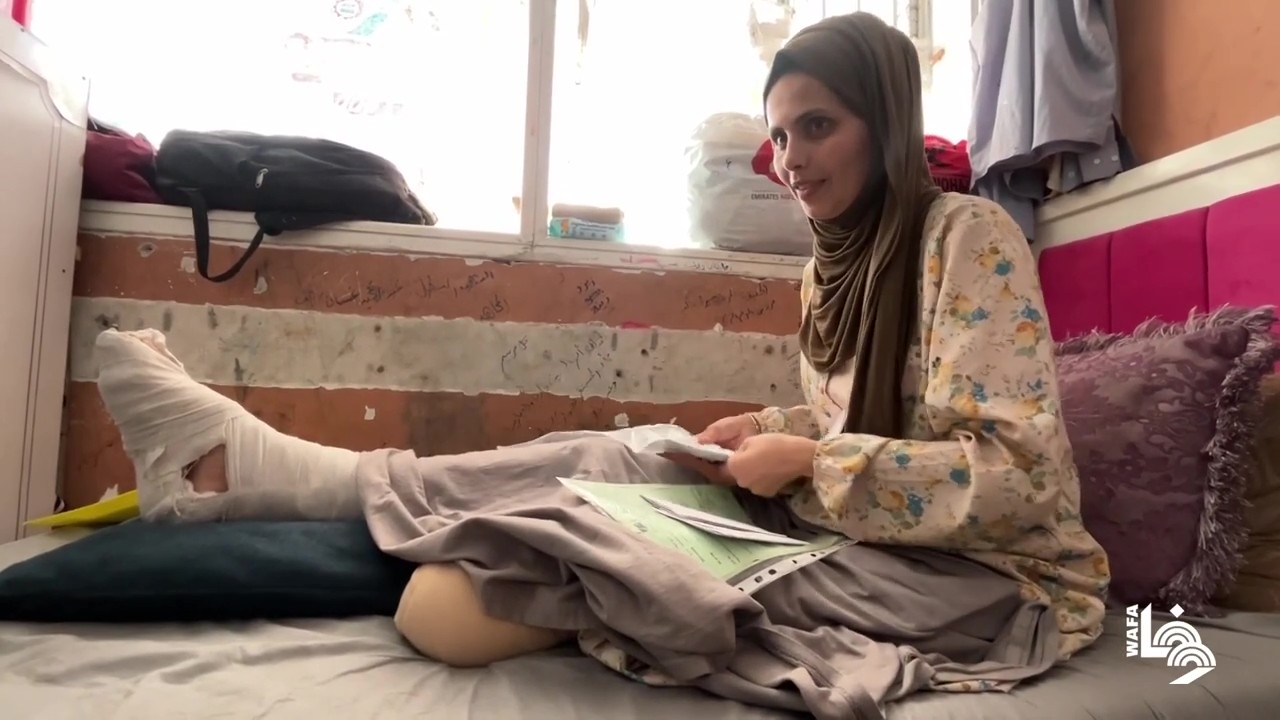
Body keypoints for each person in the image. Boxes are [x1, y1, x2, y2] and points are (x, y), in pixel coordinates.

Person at [90, 11, 1108, 679]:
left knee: (494, 589)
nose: (788, 162)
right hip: (858, 525)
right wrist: (774, 425)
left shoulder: (967, 238)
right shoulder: (831, 268)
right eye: (779, 136)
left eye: (816, 127)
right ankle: (269, 476)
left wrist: (810, 458)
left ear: (883, 121)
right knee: (629, 450)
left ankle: (272, 481)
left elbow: (1014, 479)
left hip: (986, 583)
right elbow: (874, 417)